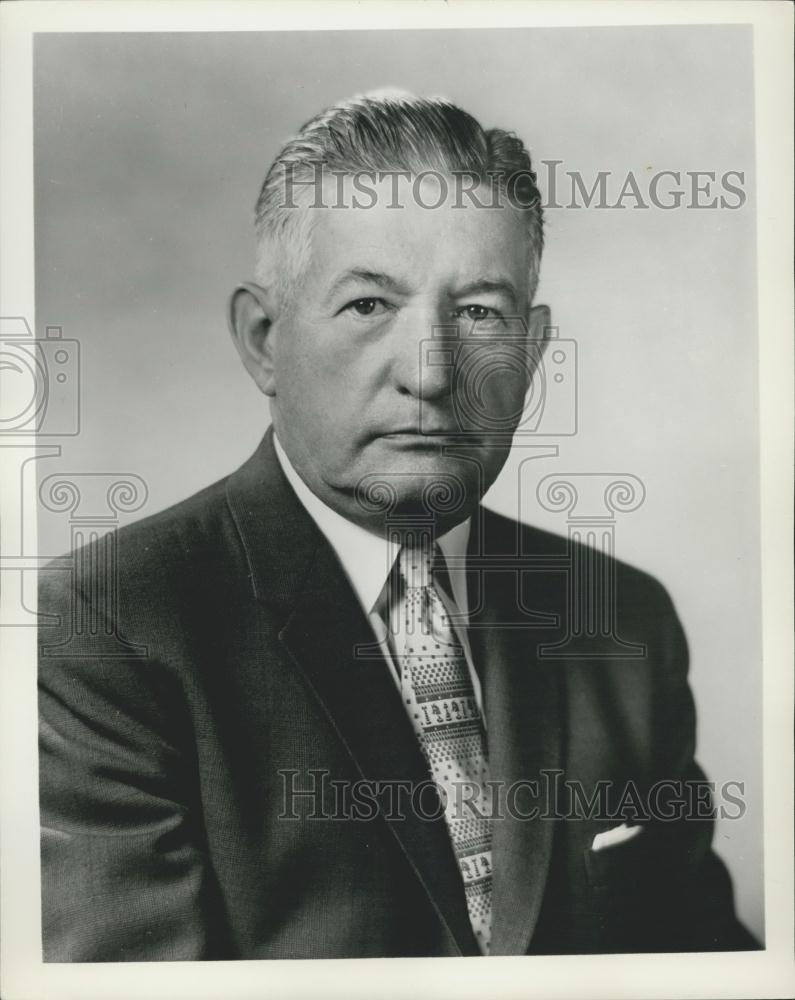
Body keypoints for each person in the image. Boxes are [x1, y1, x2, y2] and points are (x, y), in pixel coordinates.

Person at [38, 92, 757, 960]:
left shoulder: (621, 620)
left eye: (480, 312)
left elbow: (702, 960)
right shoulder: (108, 626)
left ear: (531, 353)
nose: (431, 373)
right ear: (263, 340)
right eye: (370, 306)